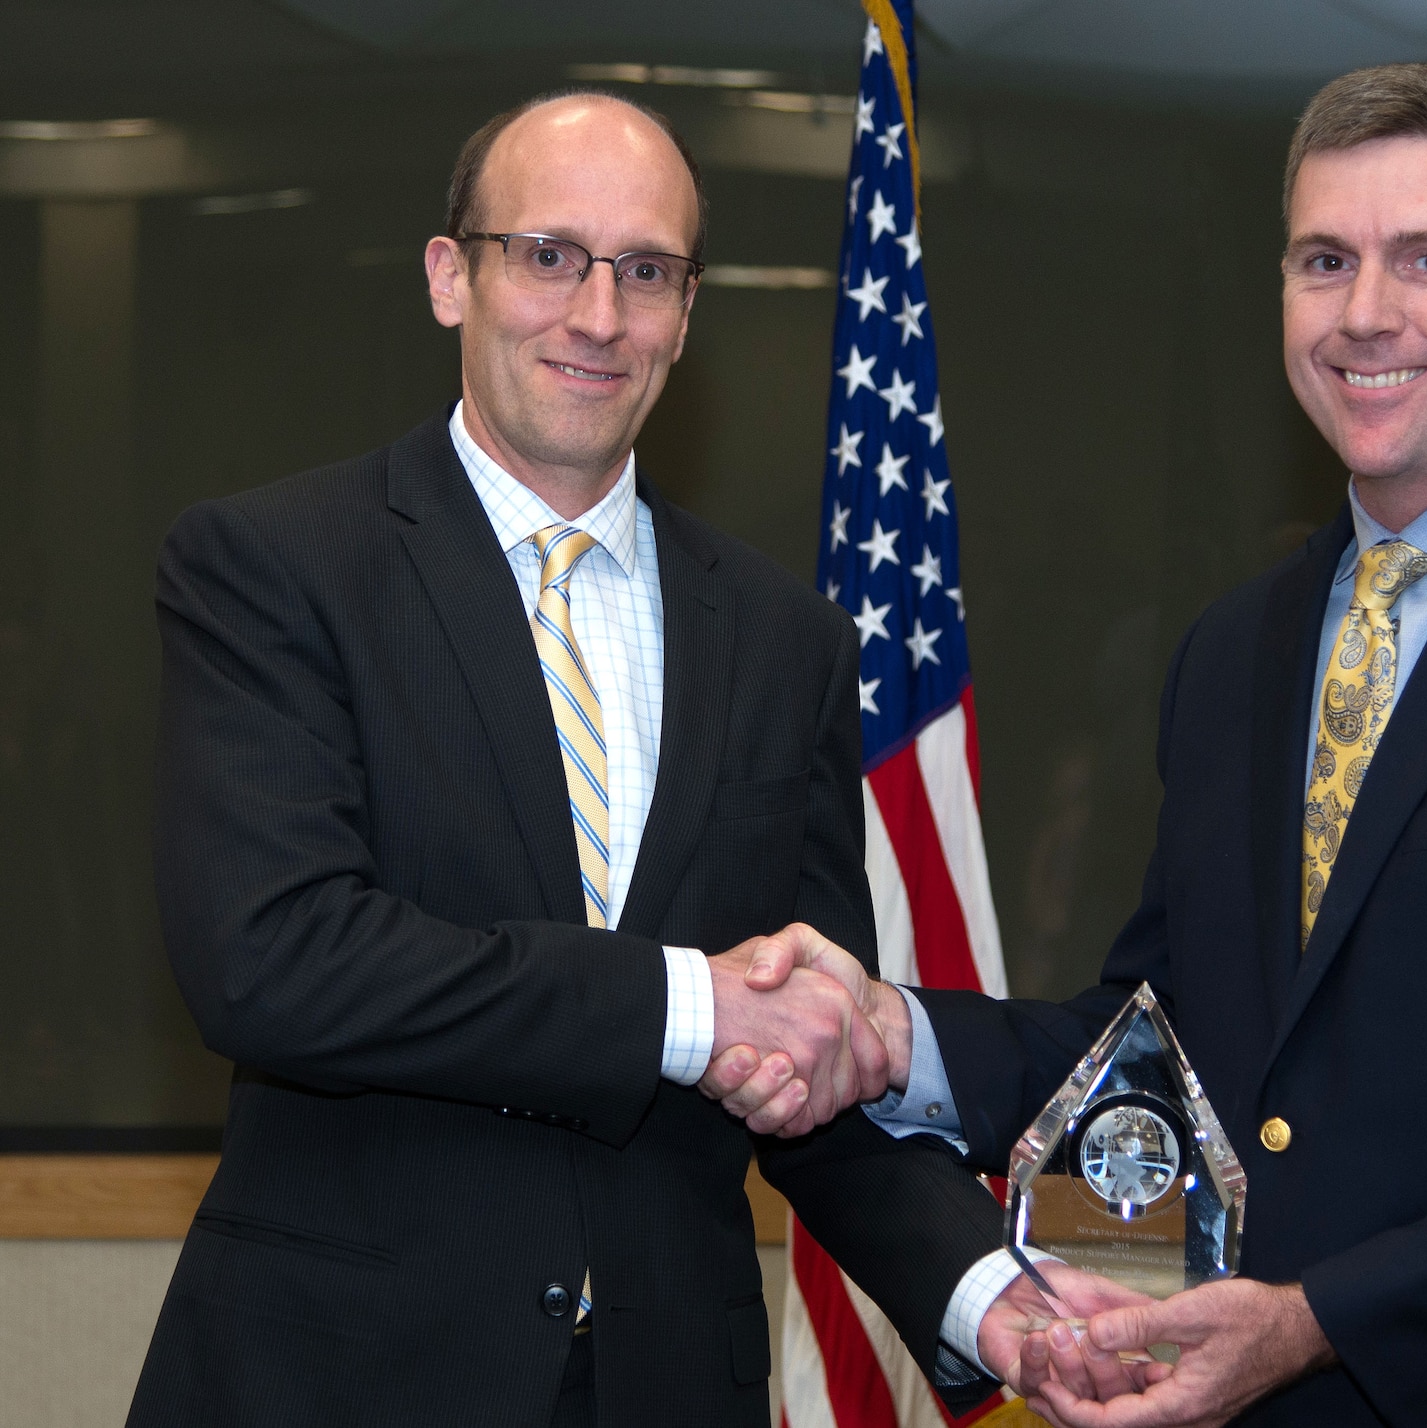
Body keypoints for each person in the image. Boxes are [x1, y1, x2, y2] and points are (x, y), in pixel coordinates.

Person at [714, 62, 1427, 1428]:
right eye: (1324, 260)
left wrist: (1323, 1324)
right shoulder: (1238, 651)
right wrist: (888, 1035)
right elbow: (1168, 1049)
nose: (1364, 311)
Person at [129, 89, 1051, 1428]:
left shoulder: (787, 642)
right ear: (453, 277)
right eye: (550, 256)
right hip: (337, 1377)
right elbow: (272, 960)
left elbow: (806, 1057)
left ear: (687, 312)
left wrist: (991, 1299)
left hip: (668, 1387)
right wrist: (690, 1008)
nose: (600, 315)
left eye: (648, 272)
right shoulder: (275, 569)